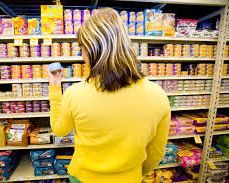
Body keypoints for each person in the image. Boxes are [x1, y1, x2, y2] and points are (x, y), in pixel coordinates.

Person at [47, 8, 171, 183]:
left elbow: (59, 130)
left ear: (92, 50)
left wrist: (54, 88)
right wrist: (133, 174)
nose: (82, 57)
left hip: (83, 178)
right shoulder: (158, 96)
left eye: (82, 49)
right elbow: (156, 153)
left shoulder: (74, 94)